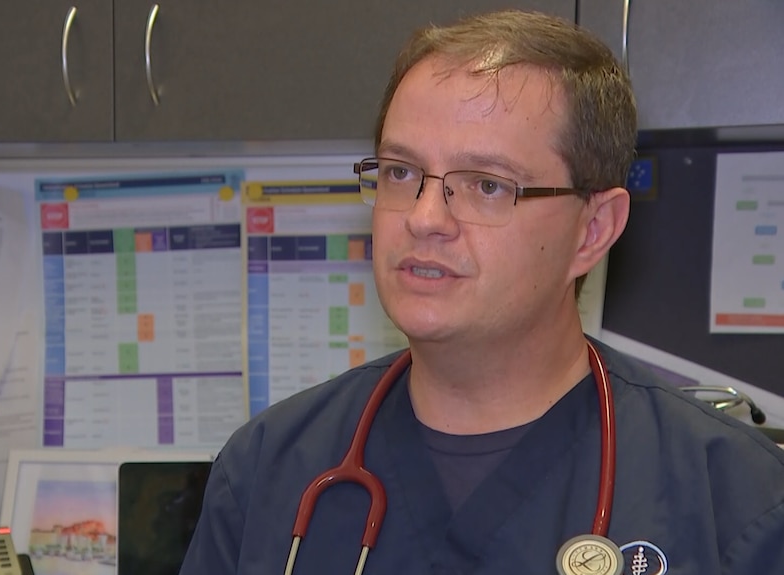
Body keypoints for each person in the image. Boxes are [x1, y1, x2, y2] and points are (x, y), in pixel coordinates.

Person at [180, 9, 784, 575]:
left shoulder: (730, 497)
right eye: (400, 172)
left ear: (592, 229)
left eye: (487, 186)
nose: (424, 218)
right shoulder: (266, 472)